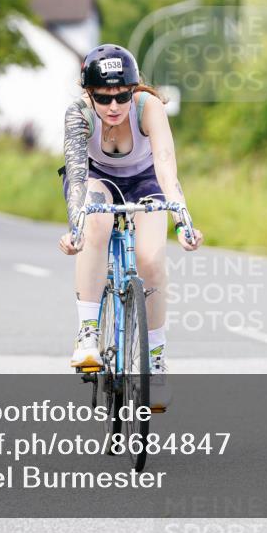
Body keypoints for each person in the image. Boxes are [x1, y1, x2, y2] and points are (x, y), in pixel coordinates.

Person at [58, 44, 204, 410]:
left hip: (146, 181)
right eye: (103, 97)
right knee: (98, 222)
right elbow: (77, 177)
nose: (113, 106)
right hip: (96, 180)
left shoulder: (147, 107)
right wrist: (76, 226)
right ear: (88, 93)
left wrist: (182, 220)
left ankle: (154, 362)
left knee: (151, 259)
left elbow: (166, 164)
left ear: (134, 88)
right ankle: (88, 334)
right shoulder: (78, 114)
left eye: (122, 95)